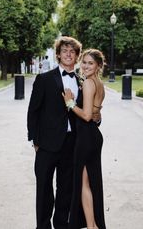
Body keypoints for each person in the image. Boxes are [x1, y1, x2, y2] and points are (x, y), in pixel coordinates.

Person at [27, 37, 100, 229]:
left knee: (66, 189)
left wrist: (97, 117)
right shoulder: (44, 79)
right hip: (46, 144)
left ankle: (61, 224)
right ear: (58, 54)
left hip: (72, 143)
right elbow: (33, 111)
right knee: (44, 188)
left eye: (72, 51)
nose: (68, 54)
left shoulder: (82, 81)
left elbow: (88, 112)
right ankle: (43, 226)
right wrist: (34, 140)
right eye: (65, 50)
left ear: (76, 56)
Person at [62, 49, 106, 229]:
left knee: (83, 184)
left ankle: (91, 226)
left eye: (91, 63)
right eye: (84, 62)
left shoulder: (88, 83)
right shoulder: (99, 83)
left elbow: (87, 116)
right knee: (90, 182)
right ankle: (93, 224)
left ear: (98, 66)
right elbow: (96, 113)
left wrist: (70, 103)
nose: (86, 66)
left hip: (86, 137)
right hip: (93, 135)